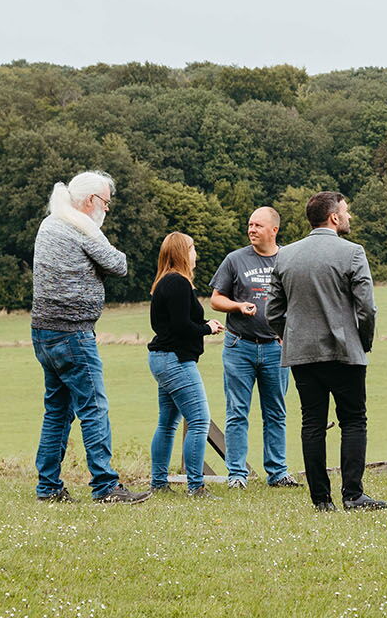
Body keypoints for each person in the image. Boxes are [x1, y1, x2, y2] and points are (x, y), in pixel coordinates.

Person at [30, 171, 148, 504]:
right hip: (73, 333)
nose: (107, 210)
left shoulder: (50, 224)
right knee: (93, 406)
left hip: (43, 331)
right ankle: (106, 486)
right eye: (106, 202)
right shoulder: (80, 227)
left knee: (57, 410)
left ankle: (48, 486)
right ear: (91, 200)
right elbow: (118, 263)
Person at [266, 191, 386, 512]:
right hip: (345, 351)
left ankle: (321, 500)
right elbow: (367, 308)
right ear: (333, 217)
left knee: (312, 424)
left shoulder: (286, 256)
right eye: (345, 212)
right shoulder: (352, 253)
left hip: (302, 353)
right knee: (353, 421)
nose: (348, 217)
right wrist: (365, 342)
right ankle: (353, 494)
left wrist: (288, 336)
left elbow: (273, 312)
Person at [209, 206, 300, 490]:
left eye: (258, 225)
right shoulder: (235, 260)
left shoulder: (288, 259)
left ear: (274, 230)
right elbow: (215, 299)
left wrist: (290, 332)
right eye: (250, 225)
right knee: (237, 411)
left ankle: (278, 472)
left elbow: (298, 299)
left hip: (275, 347)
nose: (252, 230)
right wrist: (237, 305)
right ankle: (237, 474)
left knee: (276, 411)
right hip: (240, 346)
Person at [148, 231, 224, 497]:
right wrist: (208, 327)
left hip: (162, 358)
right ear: (182, 252)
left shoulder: (162, 283)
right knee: (200, 420)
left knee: (167, 423)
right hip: (176, 360)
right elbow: (181, 326)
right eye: (192, 248)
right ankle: (196, 486)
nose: (195, 254)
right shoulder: (178, 283)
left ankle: (158, 482)